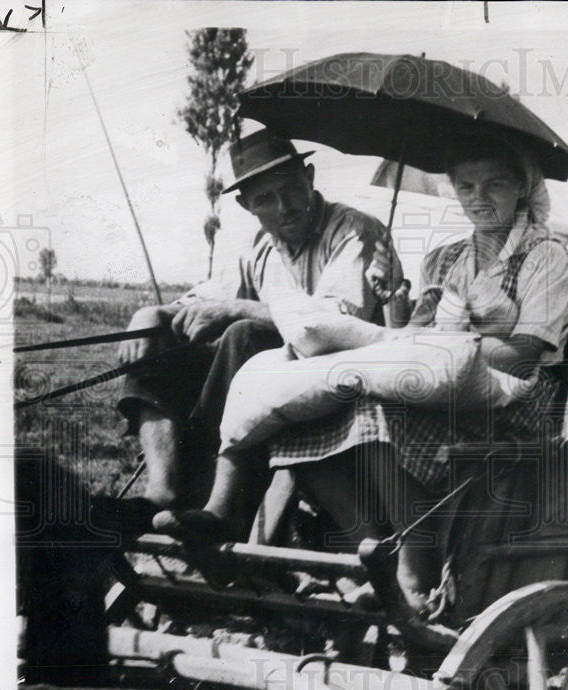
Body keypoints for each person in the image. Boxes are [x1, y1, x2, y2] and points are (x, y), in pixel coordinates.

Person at [153, 133, 568, 612]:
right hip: (445, 379)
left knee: (370, 402)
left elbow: (521, 355)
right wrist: (395, 296)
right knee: (315, 405)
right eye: (467, 187)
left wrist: (429, 347)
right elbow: (409, 330)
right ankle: (371, 550)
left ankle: (415, 563)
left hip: (513, 396)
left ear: (523, 186)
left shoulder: (545, 257)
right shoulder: (449, 257)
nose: (479, 199)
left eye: (494, 185)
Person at [116, 128, 400, 508]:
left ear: (310, 177)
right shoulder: (259, 246)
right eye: (265, 199)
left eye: (290, 189)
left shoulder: (353, 229)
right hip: (273, 386)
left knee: (244, 333)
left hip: (341, 380)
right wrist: (153, 313)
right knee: (159, 345)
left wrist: (237, 309)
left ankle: (214, 501)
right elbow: (206, 299)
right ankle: (161, 490)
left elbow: (335, 324)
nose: (284, 207)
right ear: (247, 206)